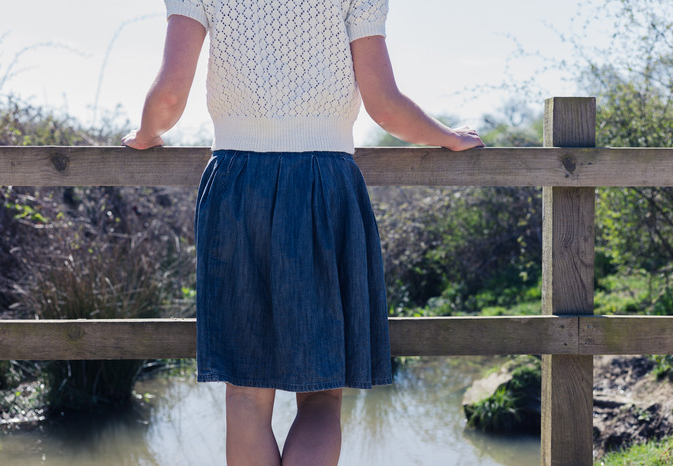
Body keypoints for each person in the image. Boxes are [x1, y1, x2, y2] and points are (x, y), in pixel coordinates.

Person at [122, 1, 484, 464]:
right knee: (321, 395)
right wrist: (448, 137)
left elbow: (170, 96)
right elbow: (384, 105)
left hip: (236, 185)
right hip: (324, 183)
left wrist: (147, 133)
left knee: (246, 395)